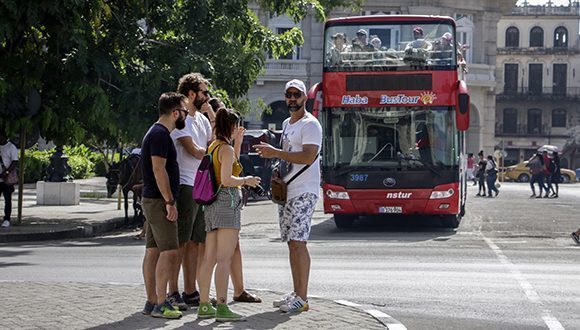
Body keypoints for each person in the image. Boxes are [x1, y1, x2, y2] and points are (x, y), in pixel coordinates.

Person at [253, 79, 322, 313]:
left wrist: (275, 152)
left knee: (299, 242)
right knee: (292, 243)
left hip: (304, 190)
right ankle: (296, 293)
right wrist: (276, 164)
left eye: (297, 95)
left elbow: (307, 157)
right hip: (287, 189)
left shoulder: (310, 124)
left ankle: (302, 298)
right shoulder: (287, 123)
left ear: (305, 98)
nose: (292, 99)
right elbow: (289, 155)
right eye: (289, 95)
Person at [196, 108, 261, 322]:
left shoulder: (214, 146)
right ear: (231, 126)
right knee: (225, 258)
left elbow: (231, 166)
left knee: (209, 258)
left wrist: (238, 144)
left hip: (212, 205)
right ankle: (223, 306)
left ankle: (205, 304)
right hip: (226, 202)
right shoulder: (224, 149)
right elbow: (227, 178)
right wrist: (246, 181)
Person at [167, 73, 213, 310]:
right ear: (192, 94)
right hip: (185, 185)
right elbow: (197, 151)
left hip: (200, 186)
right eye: (204, 92)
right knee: (181, 242)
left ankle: (190, 291)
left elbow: (214, 143)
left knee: (196, 242)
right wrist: (213, 151)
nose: (208, 97)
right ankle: (172, 292)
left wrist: (212, 115)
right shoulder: (181, 120)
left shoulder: (203, 120)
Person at [140, 92, 188, 319]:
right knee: (169, 252)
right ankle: (160, 303)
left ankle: (152, 301)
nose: (185, 116)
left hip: (152, 199)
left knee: (153, 251)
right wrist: (169, 201)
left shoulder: (156, 132)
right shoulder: (160, 135)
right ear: (175, 112)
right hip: (159, 200)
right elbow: (159, 170)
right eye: (184, 112)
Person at [0, 130, 18, 228]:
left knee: (7, 200)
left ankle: (7, 219)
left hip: (6, 178)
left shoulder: (11, 147)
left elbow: (15, 161)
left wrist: (7, 172)